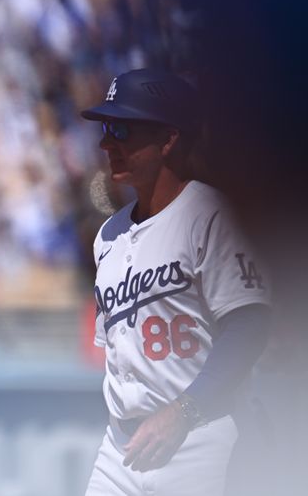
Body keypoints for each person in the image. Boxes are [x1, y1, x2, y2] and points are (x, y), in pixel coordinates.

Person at [80, 68, 271, 496]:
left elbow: (250, 324)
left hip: (198, 437)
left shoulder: (211, 215)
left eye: (121, 128)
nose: (106, 142)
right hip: (121, 446)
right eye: (106, 129)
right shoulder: (107, 236)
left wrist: (184, 411)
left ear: (168, 139)